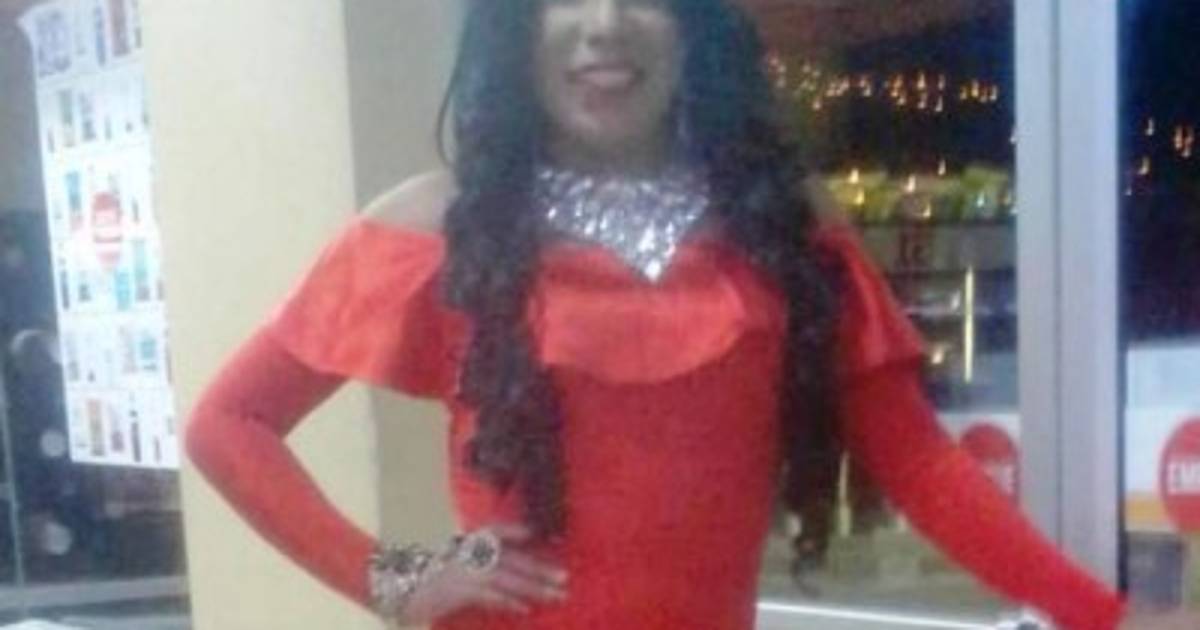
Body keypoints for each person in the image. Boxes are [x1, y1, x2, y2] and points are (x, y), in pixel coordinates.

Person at [184, 1, 1195, 628]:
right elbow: (229, 426)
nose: (605, 21)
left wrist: (1102, 617)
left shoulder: (782, 227)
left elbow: (920, 462)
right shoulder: (434, 227)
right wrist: (392, 580)